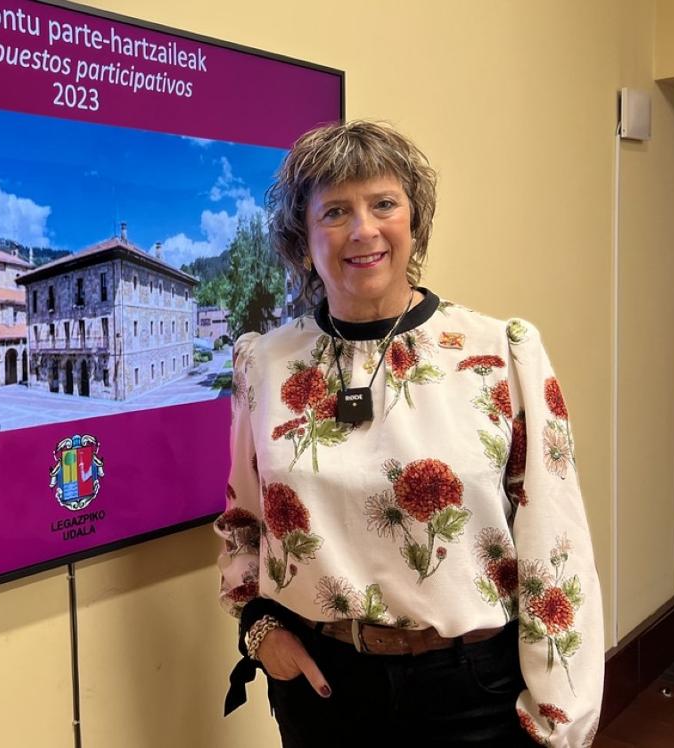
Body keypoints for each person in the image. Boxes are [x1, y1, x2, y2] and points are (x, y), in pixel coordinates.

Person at [215, 121, 603, 747]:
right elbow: (243, 516)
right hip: (323, 688)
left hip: (471, 689)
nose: (363, 229)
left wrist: (561, 717)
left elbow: (554, 539)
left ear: (414, 221)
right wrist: (260, 628)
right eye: (336, 211)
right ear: (303, 238)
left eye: (383, 203)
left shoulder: (499, 353)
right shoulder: (264, 364)